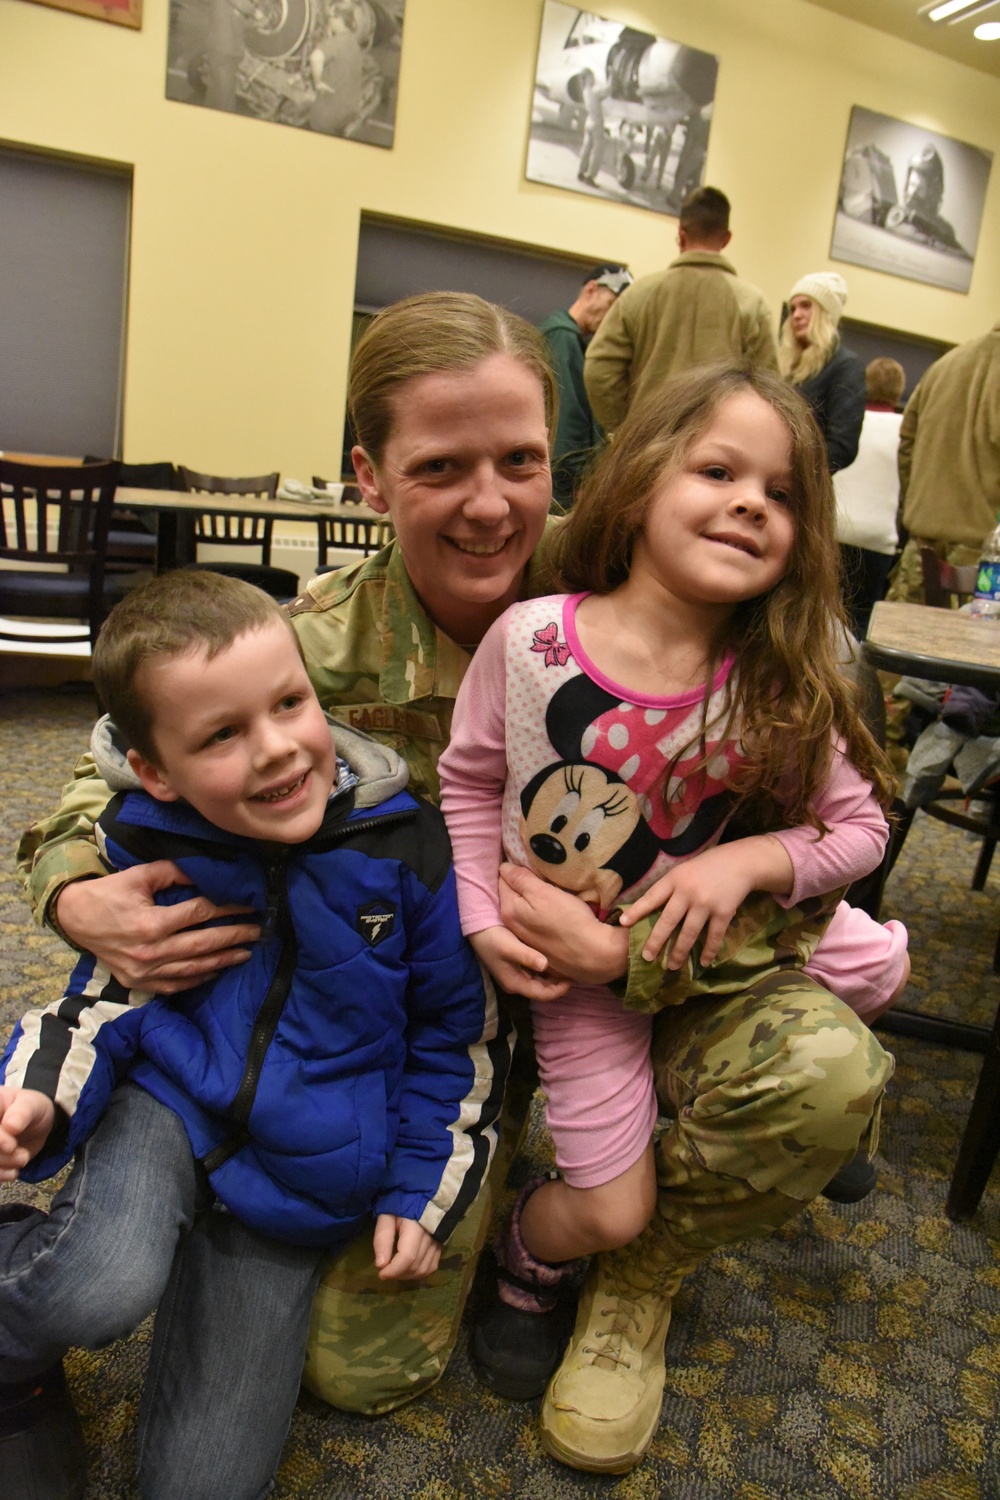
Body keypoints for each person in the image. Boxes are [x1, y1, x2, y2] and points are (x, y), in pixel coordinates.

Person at [15, 293, 896, 1475]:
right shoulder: (312, 648)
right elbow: (112, 770)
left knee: (824, 1072)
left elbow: (813, 847)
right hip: (405, 1033)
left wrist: (633, 957)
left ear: (564, 461)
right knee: (360, 1374)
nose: (490, 504)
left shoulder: (648, 575)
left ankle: (632, 1270)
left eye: (521, 461)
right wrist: (77, 891)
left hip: (632, 989)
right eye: (441, 467)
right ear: (370, 480)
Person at [437, 363, 905, 1467]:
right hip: (584, 979)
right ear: (643, 480)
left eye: (782, 493)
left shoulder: (784, 676)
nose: (751, 501)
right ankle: (532, 1254)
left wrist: (747, 856)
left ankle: (794, 1126)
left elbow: (860, 831)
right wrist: (477, 915)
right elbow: (467, 784)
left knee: (871, 985)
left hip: (711, 957)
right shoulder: (532, 641)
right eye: (718, 470)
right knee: (609, 1213)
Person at [0, 570, 506, 1500]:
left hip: (303, 1172)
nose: (277, 751)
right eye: (223, 734)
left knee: (202, 1486)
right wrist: (40, 1090)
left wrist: (420, 1192)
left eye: (290, 704)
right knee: (96, 1286)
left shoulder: (413, 855)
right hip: (169, 1110)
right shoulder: (154, 835)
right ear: (156, 770)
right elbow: (100, 994)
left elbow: (459, 1043)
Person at [583, 186, 778, 434]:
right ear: (726, 238)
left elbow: (598, 368)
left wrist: (626, 429)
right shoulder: (752, 304)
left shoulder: (639, 294)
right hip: (717, 452)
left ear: (681, 234)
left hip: (648, 448)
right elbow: (769, 391)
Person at [885, 322, 1000, 607]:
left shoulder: (944, 365)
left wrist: (922, 503)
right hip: (987, 576)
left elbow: (907, 442)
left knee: (903, 649)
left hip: (920, 561)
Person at [539, 263, 633, 510]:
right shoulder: (563, 337)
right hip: (563, 488)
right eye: (612, 305)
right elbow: (566, 422)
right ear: (591, 290)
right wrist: (580, 479)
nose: (612, 318)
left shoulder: (576, 343)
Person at [834, 356, 906, 637]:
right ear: (899, 391)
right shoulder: (905, 431)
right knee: (861, 624)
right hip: (877, 539)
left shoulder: (845, 423)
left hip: (834, 528)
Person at [779, 271, 865, 473]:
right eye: (792, 309)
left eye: (806, 306)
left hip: (806, 486)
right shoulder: (789, 368)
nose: (796, 315)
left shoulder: (845, 366)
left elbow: (843, 446)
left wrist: (793, 468)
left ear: (826, 313)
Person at [576, 69, 607, 187]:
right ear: (587, 78)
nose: (593, 78)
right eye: (591, 76)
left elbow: (599, 97)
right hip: (597, 123)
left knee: (586, 148)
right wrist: (612, 76)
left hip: (589, 122)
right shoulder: (594, 90)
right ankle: (591, 176)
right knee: (597, 151)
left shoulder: (586, 91)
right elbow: (609, 89)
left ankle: (581, 171)